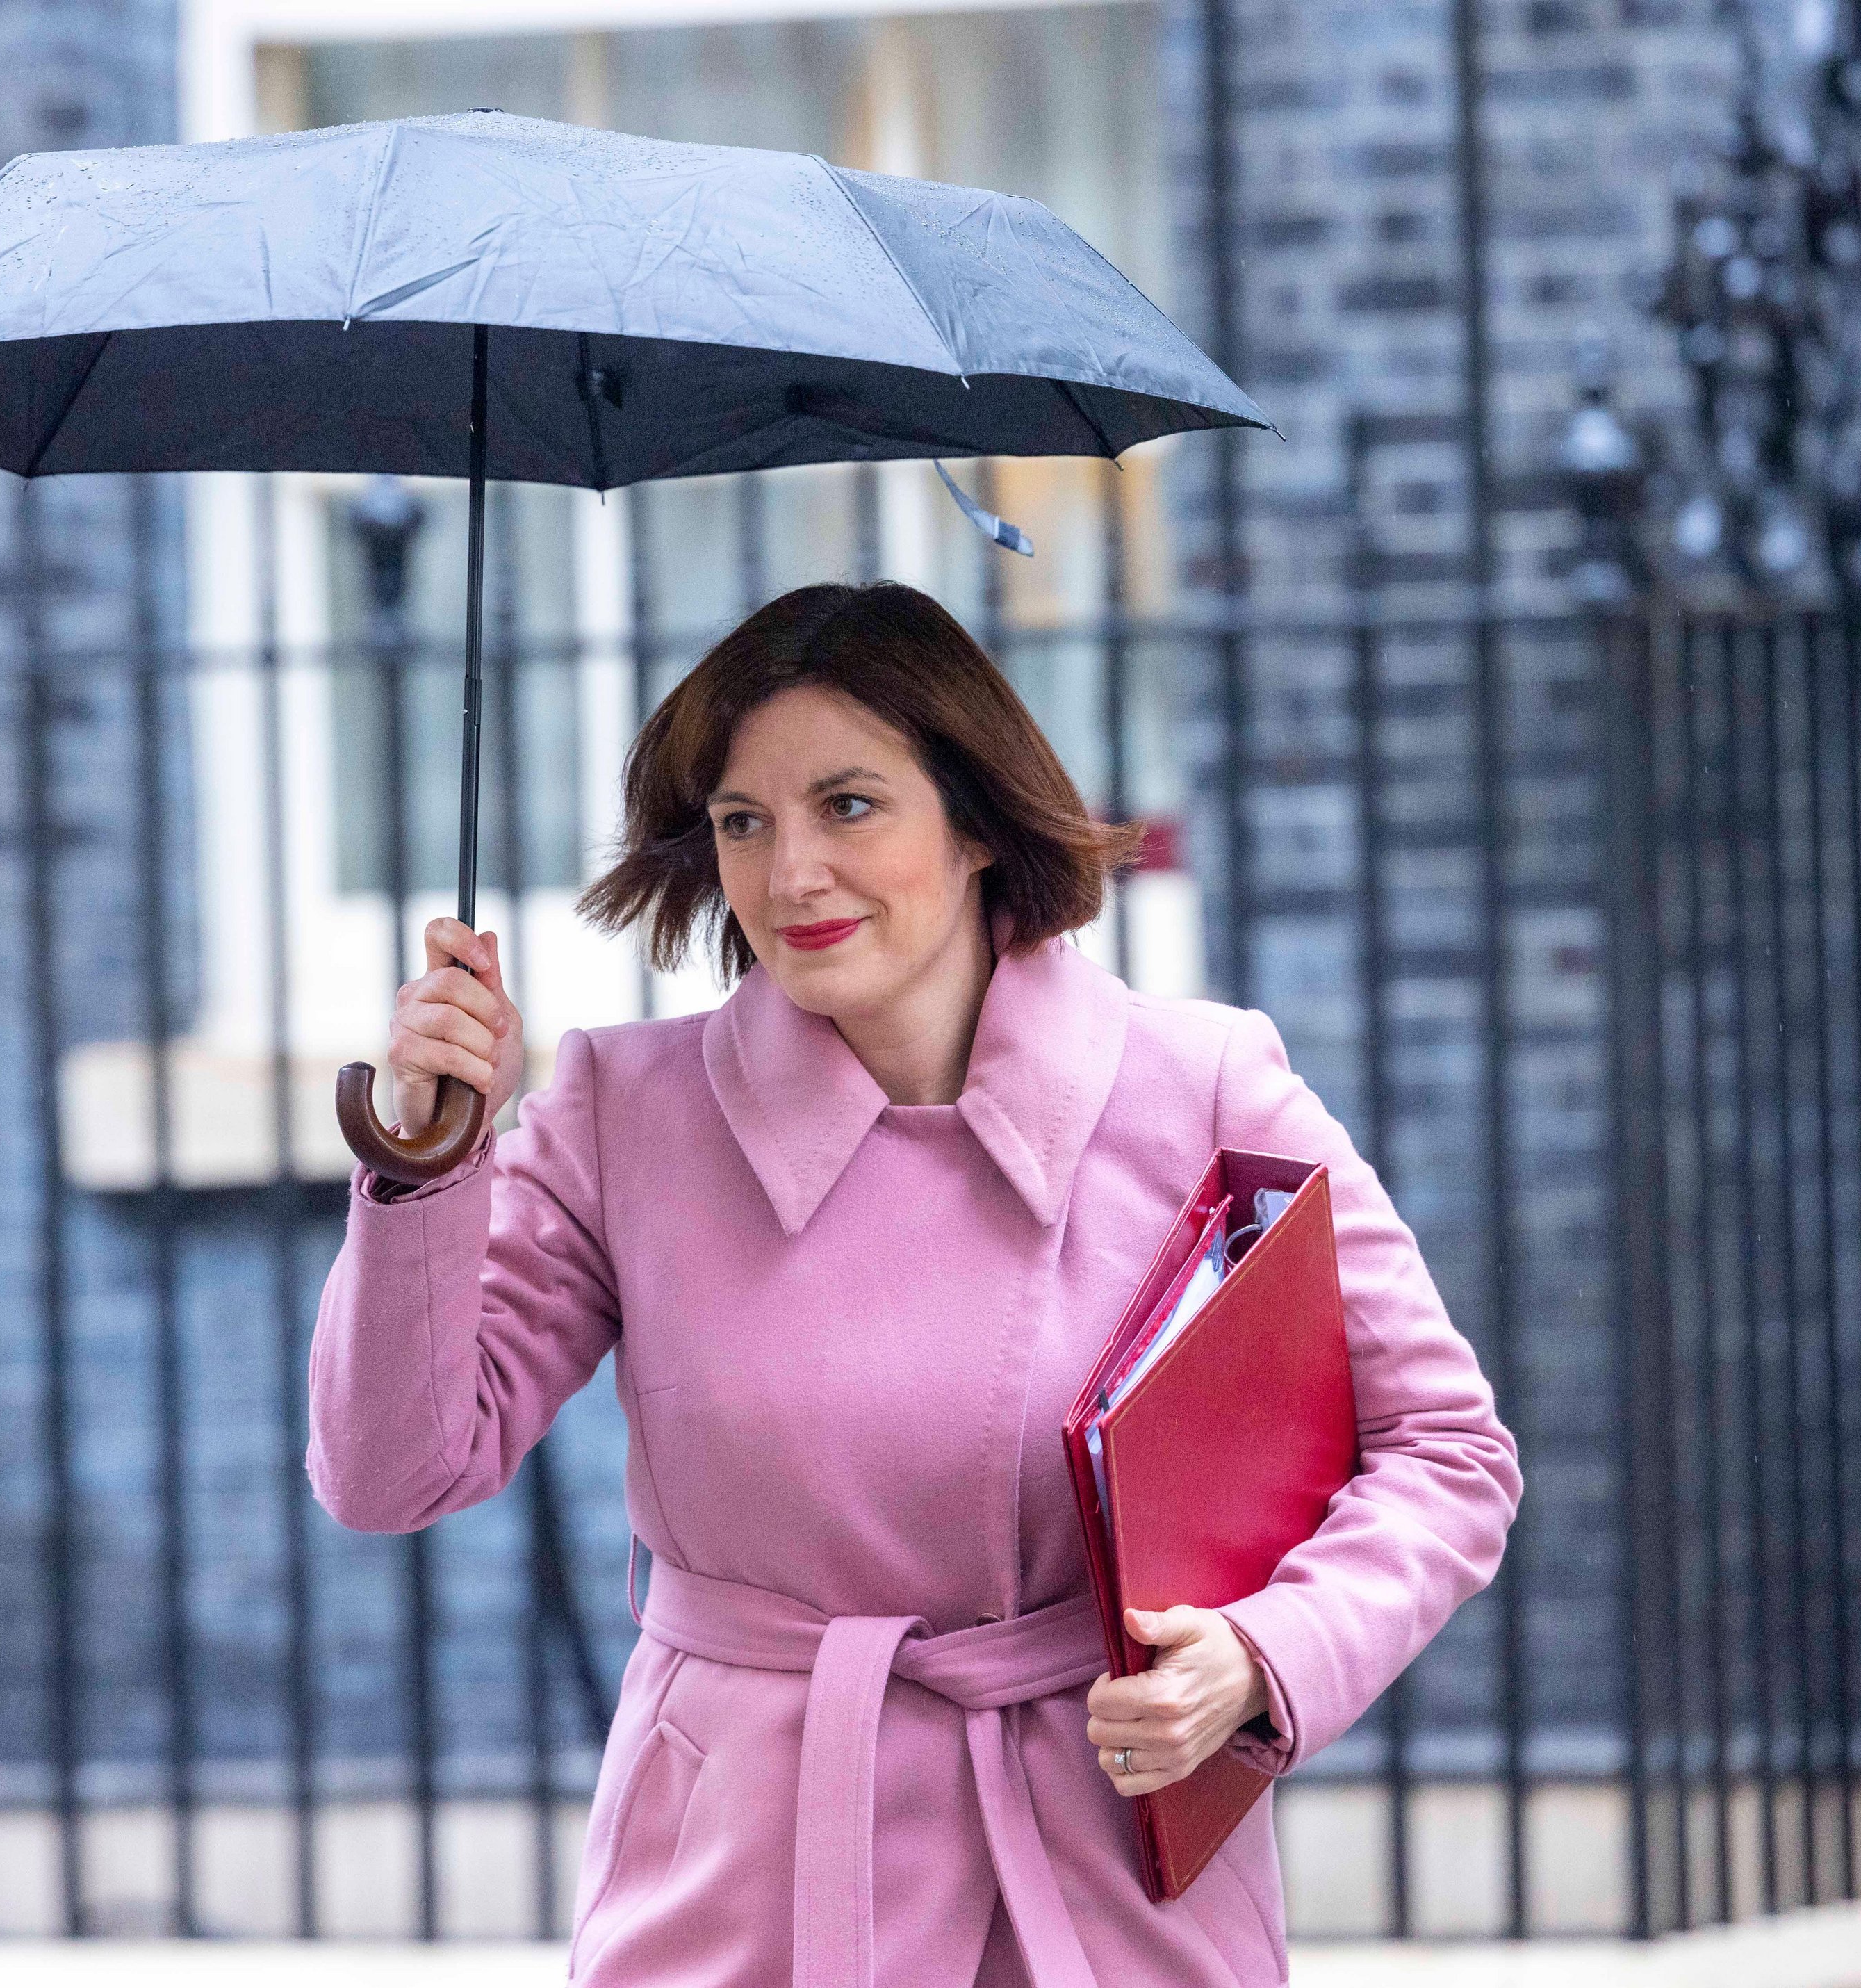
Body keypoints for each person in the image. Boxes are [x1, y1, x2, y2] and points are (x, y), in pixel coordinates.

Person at [307, 581, 1519, 1987]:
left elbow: (1446, 1447)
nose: (789, 874)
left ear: (980, 820)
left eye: (849, 805)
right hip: (745, 1882)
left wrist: (1263, 1654)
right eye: (743, 822)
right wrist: (423, 1158)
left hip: (1107, 1876)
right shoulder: (619, 1110)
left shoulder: (1202, 1084)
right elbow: (391, 1470)